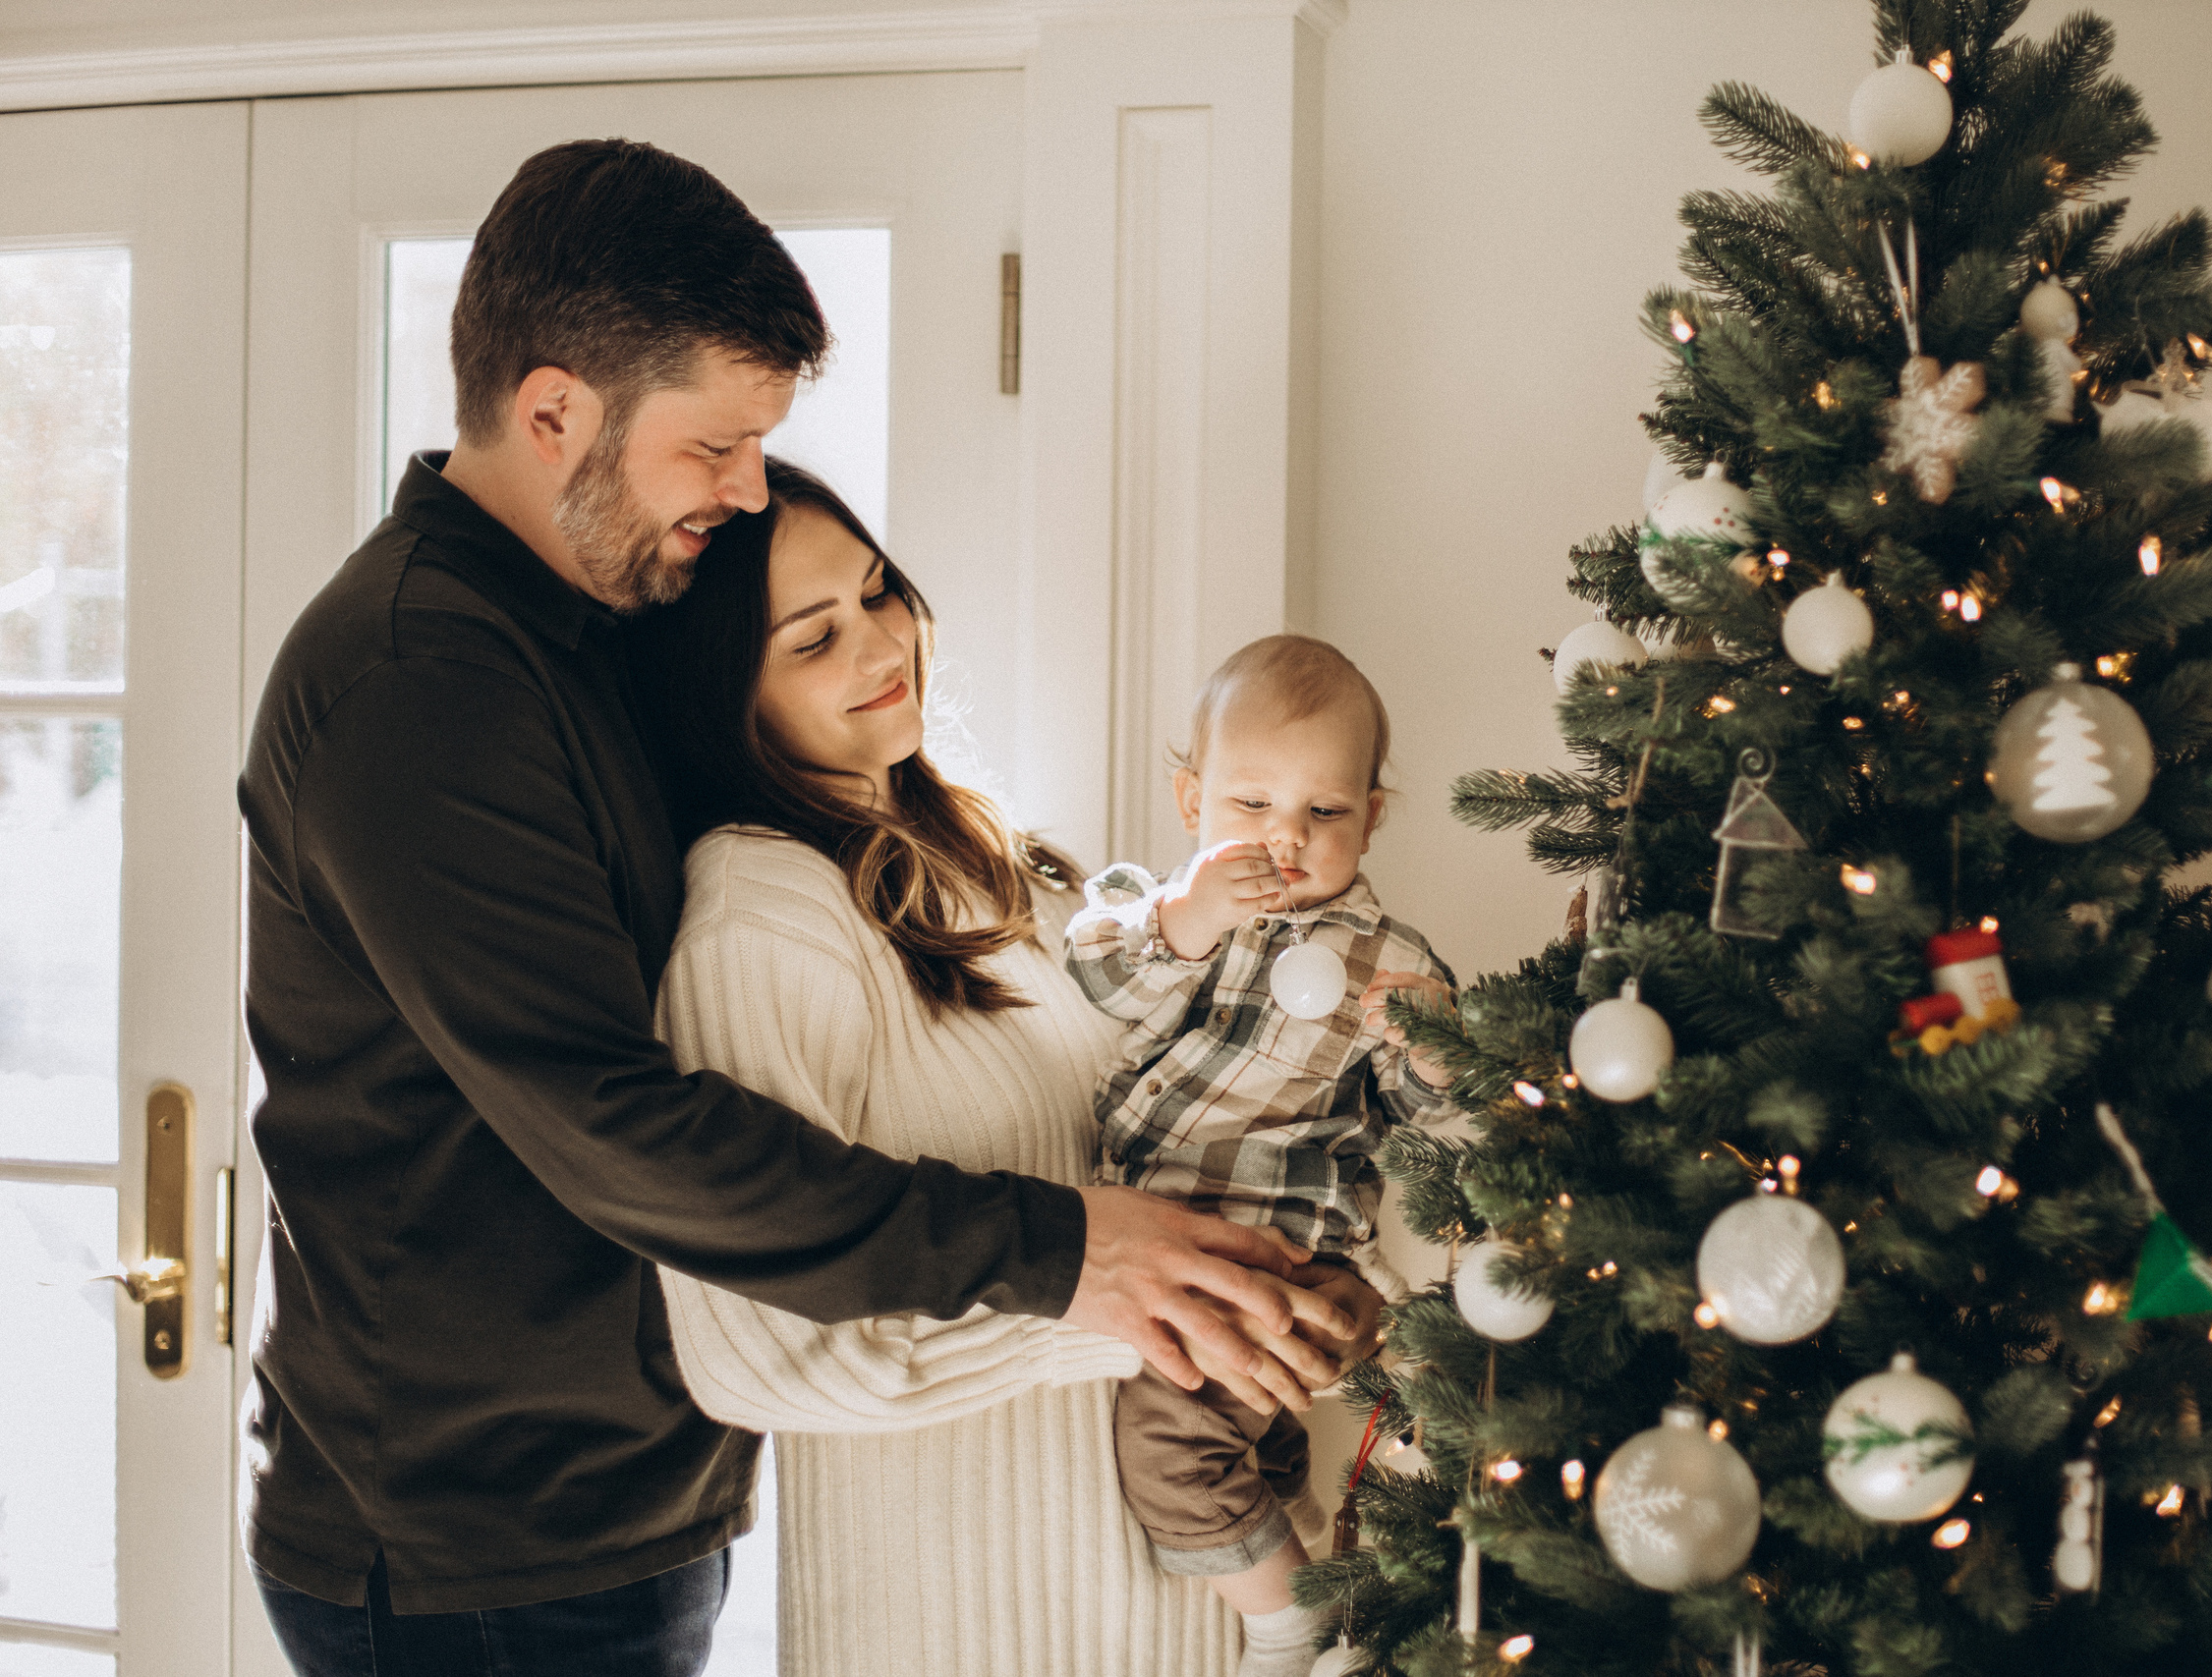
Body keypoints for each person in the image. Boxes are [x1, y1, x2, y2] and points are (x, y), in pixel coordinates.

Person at [237, 139, 1341, 1677]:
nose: (748, 490)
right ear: (553, 410)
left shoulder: (585, 627)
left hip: (615, 1504)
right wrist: (1062, 1252)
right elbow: (612, 1119)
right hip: (475, 1545)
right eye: (717, 446)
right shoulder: (422, 677)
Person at [636, 461, 1387, 1675]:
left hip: (1210, 1628)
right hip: (969, 1632)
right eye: (816, 636)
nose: (883, 644)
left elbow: (1231, 1132)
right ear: (728, 694)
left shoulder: (1012, 872)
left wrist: (1311, 1292)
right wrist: (1099, 1306)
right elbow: (760, 1354)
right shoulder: (764, 913)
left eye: (878, 593)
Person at [1062, 635, 1460, 1677]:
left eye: (1323, 813)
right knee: (1260, 1448)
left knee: (1171, 1445)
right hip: (1176, 1239)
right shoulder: (1172, 912)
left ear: (1370, 818)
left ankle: (1295, 1623)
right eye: (1251, 807)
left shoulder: (1394, 960)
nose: (1286, 838)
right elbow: (1093, 972)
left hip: (1276, 1256)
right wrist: (1187, 913)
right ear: (1192, 800)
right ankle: (1312, 1572)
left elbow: (1432, 1124)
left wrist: (1434, 1051)